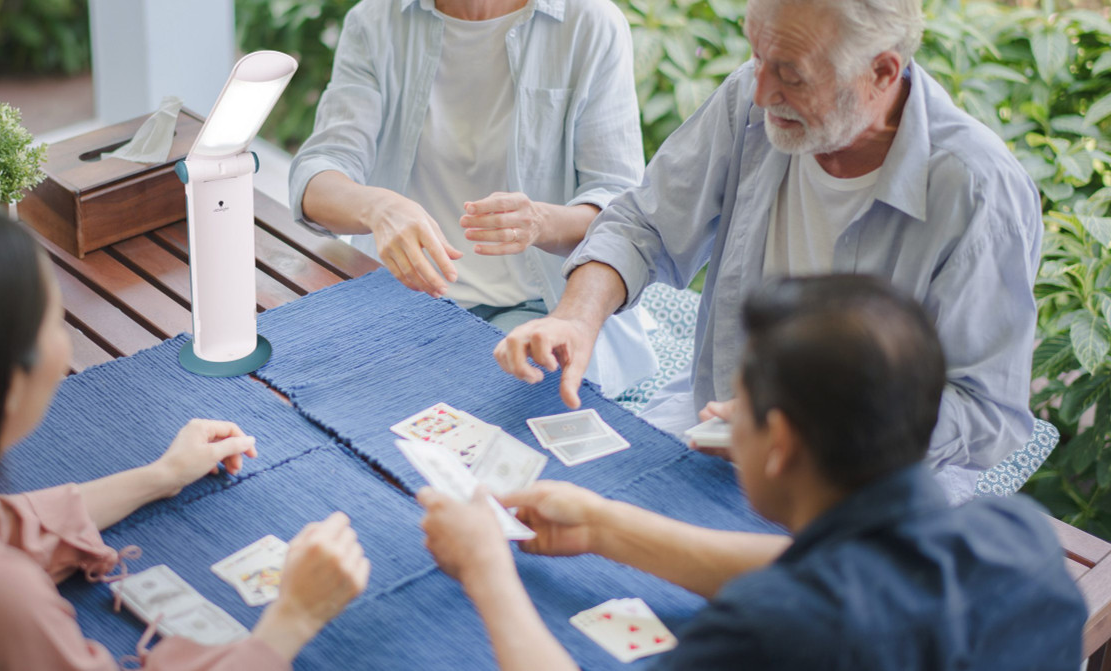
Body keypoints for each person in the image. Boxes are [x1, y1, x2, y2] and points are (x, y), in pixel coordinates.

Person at [494, 0, 1041, 499]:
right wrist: (575, 319)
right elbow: (643, 226)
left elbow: (986, 412)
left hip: (869, 488)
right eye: (758, 58)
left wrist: (827, 426)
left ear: (882, 71)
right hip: (710, 437)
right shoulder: (753, 101)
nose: (761, 93)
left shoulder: (979, 193)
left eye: (792, 75)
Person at [421, 275, 1087, 670]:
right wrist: (601, 523)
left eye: (740, 407)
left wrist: (487, 569)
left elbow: (807, 598)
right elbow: (825, 569)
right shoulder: (1016, 536)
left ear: (780, 443)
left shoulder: (769, 630)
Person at [0, 201, 371, 671]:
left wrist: (160, 476)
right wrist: (291, 620)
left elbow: (1, 525)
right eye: (56, 320)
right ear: (7, 385)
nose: (66, 348)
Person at [288, 0, 655, 396]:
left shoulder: (591, 25)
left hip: (536, 313)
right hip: (404, 309)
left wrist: (541, 221)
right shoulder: (376, 25)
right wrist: (380, 207)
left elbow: (620, 210)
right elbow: (315, 178)